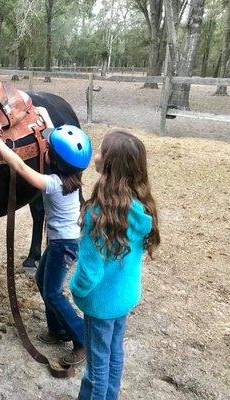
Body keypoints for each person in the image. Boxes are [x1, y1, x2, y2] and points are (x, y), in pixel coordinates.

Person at [0, 110, 92, 366]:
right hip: (61, 242)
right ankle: (58, 330)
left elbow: (19, 166)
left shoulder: (53, 183)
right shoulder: (73, 176)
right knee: (43, 282)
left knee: (53, 293)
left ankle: (82, 337)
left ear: (52, 159)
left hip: (63, 244)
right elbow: (53, 137)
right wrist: (44, 116)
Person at [70, 128, 160, 400]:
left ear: (109, 164)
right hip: (123, 298)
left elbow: (89, 272)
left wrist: (76, 290)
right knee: (113, 354)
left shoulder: (97, 215)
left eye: (99, 151)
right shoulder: (139, 208)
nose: (94, 155)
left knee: (96, 366)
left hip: (100, 305)